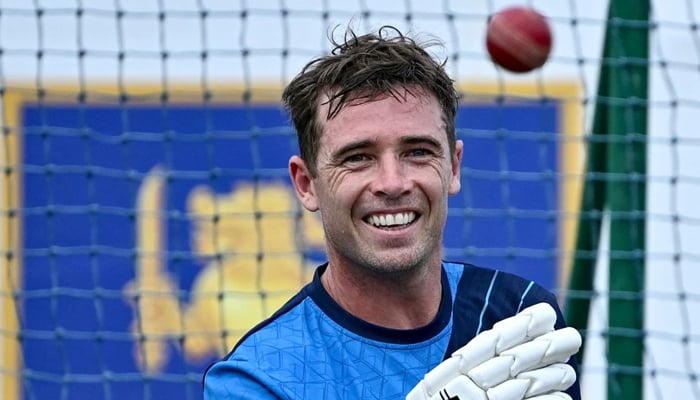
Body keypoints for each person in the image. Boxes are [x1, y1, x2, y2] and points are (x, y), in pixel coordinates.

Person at [203, 25, 582, 400]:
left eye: (418, 151)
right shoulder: (258, 379)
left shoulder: (517, 315)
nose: (392, 182)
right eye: (358, 158)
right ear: (306, 184)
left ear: (453, 167)